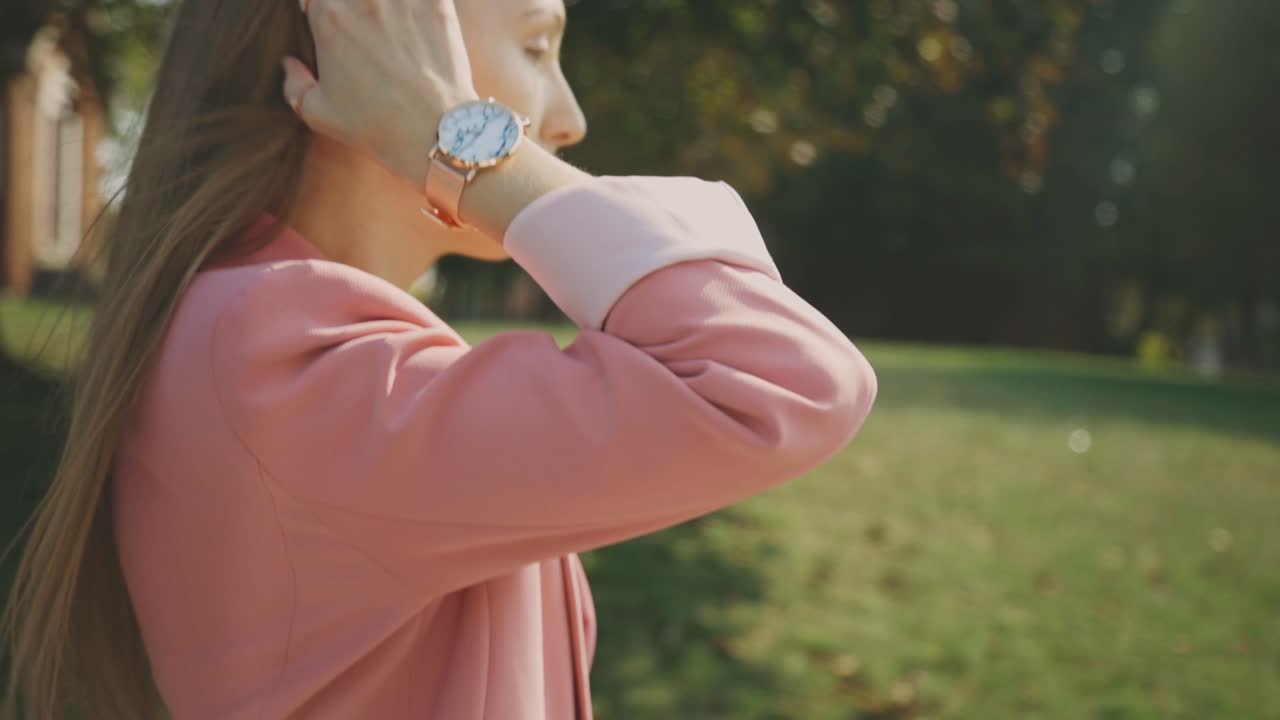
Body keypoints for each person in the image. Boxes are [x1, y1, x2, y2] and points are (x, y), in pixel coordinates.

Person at [0, 0, 878, 717]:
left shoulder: (265, 334)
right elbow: (783, 376)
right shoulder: (278, 355)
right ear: (371, 41)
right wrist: (460, 140)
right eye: (538, 47)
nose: (567, 121)